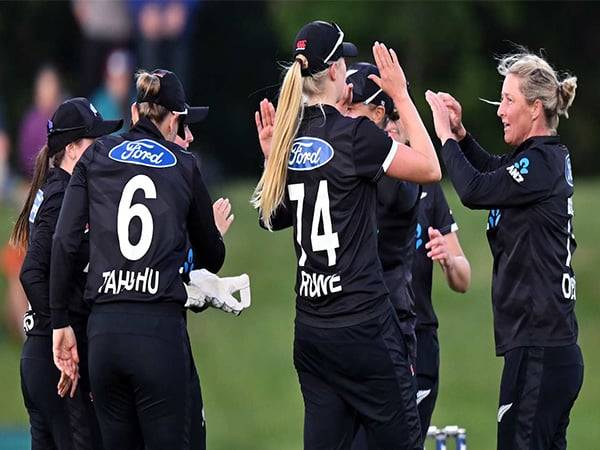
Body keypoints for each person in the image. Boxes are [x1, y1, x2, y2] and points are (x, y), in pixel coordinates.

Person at [253, 21, 441, 449]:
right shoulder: (357, 135)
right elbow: (429, 168)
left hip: (312, 331)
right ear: (336, 70)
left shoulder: (291, 139)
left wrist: (270, 160)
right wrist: (400, 96)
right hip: (363, 327)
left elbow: (271, 218)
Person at [50, 69, 225, 449]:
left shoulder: (96, 154)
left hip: (104, 335)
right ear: (175, 119)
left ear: (134, 111)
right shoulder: (183, 163)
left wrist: (60, 320)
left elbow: (64, 240)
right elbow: (213, 255)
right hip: (157, 331)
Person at [426, 50, 583, 449]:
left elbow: (476, 190)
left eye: (508, 100)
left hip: (539, 349)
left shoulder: (541, 163)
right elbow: (496, 175)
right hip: (544, 349)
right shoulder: (539, 162)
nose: (499, 110)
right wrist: (462, 137)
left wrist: (444, 137)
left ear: (535, 108)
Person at [10, 97, 122, 450]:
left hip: (41, 359)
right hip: (53, 360)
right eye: (95, 142)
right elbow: (31, 272)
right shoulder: (61, 195)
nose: (103, 149)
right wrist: (60, 330)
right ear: (72, 149)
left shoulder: (59, 188)